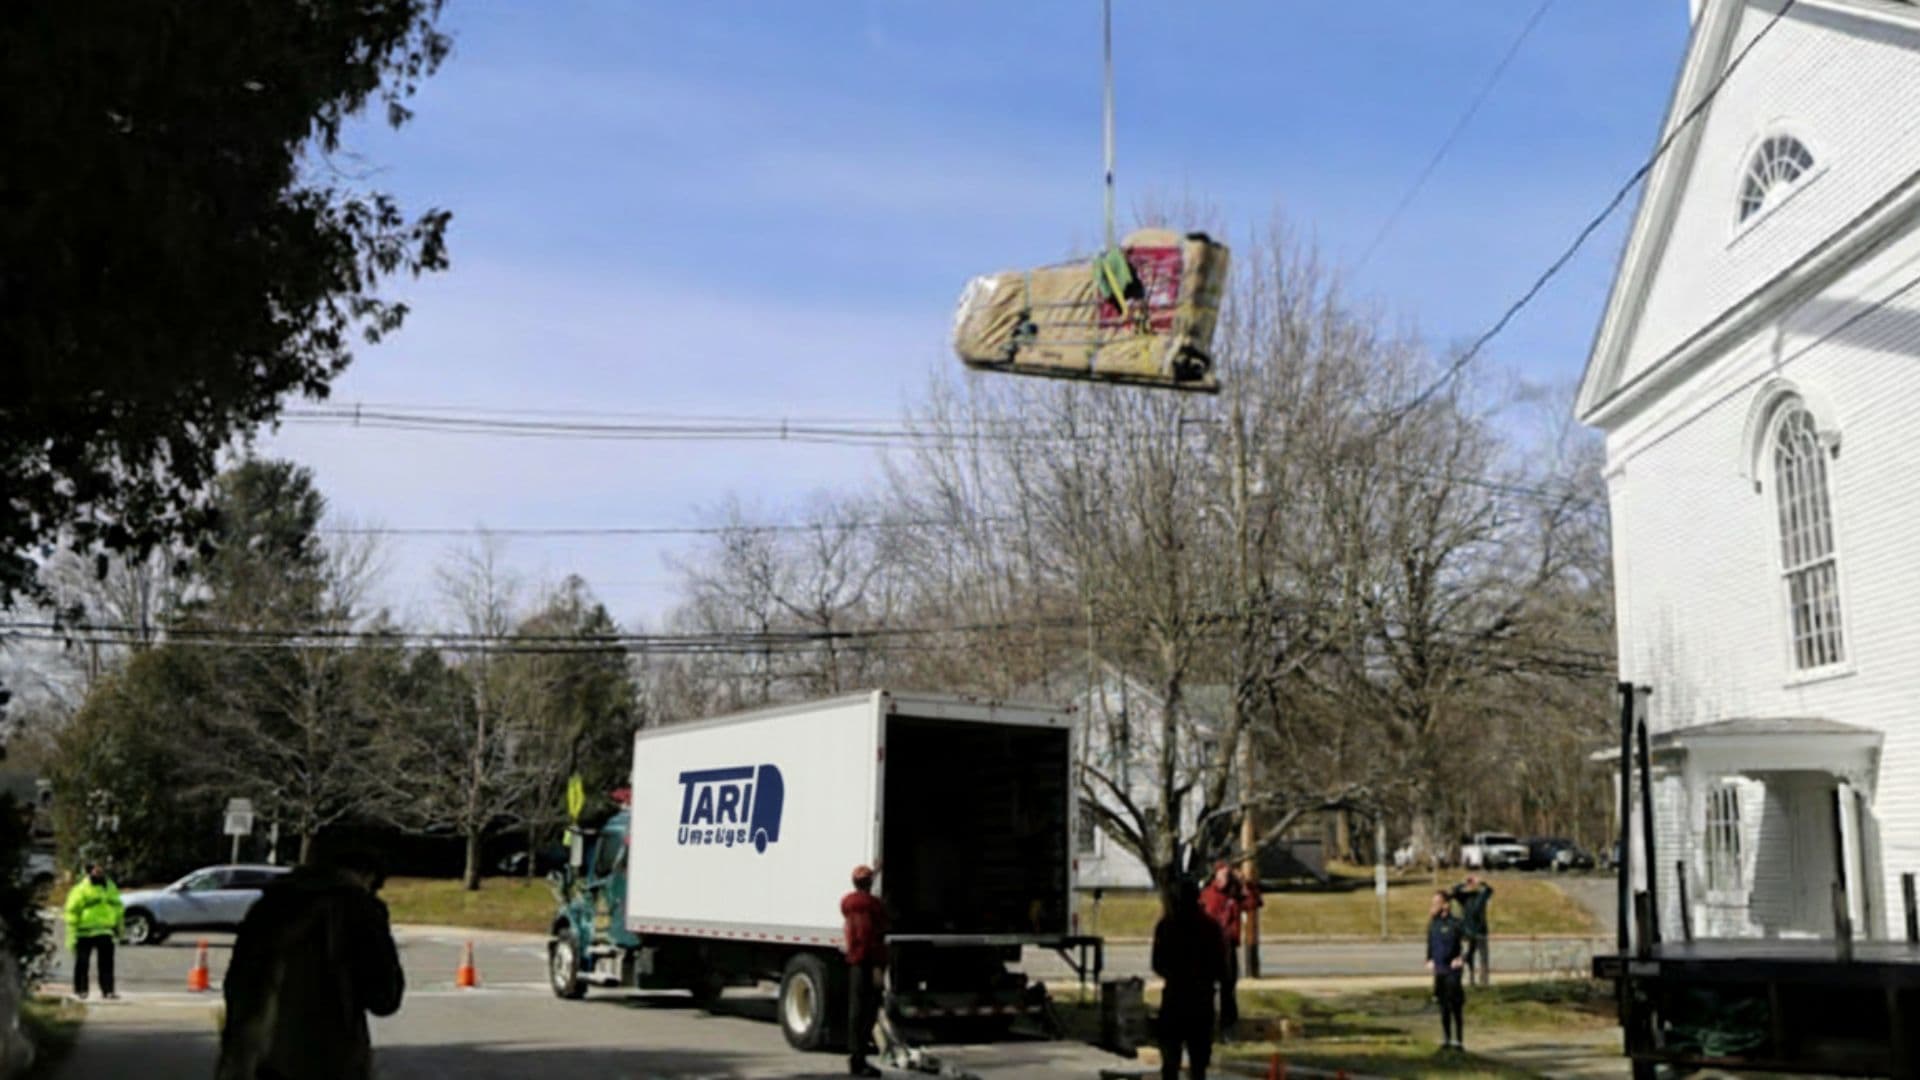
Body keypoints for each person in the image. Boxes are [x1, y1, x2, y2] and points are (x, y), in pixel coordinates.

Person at [216, 848, 404, 1080]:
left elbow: (235, 982)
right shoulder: (357, 908)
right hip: (323, 1059)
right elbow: (384, 998)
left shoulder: (267, 905)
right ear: (368, 876)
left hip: (252, 1057)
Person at [1152, 879, 1225, 1080]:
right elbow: (1221, 967)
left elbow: (1157, 963)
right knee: (1199, 1063)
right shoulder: (1211, 927)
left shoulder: (1166, 926)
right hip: (1202, 999)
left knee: (1170, 1061)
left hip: (1175, 996)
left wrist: (1175, 973)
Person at [1198, 860, 1256, 1039]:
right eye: (1222, 875)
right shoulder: (1208, 895)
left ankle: (1228, 1028)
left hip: (1228, 946)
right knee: (1206, 989)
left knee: (1228, 988)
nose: (1225, 879)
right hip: (1209, 946)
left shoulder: (1235, 896)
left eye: (1228, 875)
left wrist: (1246, 884)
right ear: (1215, 876)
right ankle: (1205, 1027)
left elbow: (1253, 903)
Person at [841, 863, 888, 1079]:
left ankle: (855, 1058)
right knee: (869, 1011)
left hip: (854, 962)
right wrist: (879, 967)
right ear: (870, 884)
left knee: (855, 1010)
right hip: (869, 962)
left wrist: (874, 872)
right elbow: (875, 936)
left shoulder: (848, 903)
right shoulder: (875, 906)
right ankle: (861, 1060)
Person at [63, 863, 123, 1001]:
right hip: (85, 932)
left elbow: (118, 907)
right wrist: (72, 933)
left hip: (105, 930)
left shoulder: (110, 886)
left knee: (107, 963)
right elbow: (72, 911)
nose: (99, 871)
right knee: (82, 963)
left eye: (101, 869)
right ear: (89, 871)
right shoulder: (81, 889)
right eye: (96, 869)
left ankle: (108, 990)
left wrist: (119, 927)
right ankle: (81, 989)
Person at [1425, 889, 1467, 1051]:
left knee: (1454, 1004)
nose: (1433, 906)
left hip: (1452, 970)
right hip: (1439, 969)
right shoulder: (1433, 923)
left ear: (1445, 905)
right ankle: (1446, 1038)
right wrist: (1429, 958)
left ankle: (1459, 1040)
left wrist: (1462, 958)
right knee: (1443, 1006)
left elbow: (1468, 942)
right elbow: (1430, 943)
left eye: (1436, 903)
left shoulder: (1455, 923)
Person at [1451, 874, 1495, 987]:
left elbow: (1490, 890)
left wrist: (1481, 882)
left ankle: (1484, 981)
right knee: (1468, 956)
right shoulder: (1464, 898)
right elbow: (1454, 892)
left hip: (1481, 931)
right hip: (1468, 931)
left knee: (1483, 957)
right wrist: (1464, 882)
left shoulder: (1481, 896)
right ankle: (1470, 979)